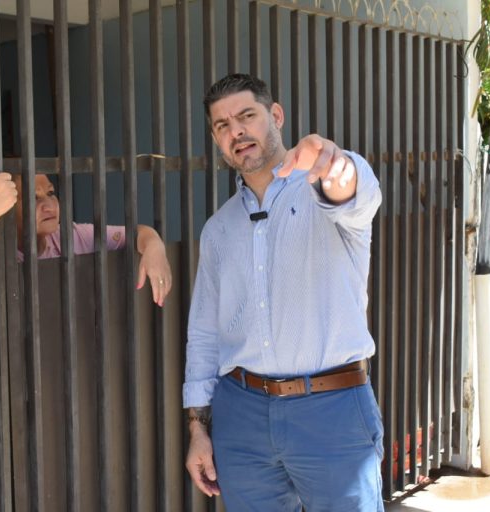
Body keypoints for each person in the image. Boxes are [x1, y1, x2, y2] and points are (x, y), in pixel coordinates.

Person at [183, 73, 383, 511]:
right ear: (216, 140)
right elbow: (204, 333)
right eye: (222, 125)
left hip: (331, 408)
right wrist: (198, 427)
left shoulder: (320, 193)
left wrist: (332, 162)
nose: (236, 131)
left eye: (246, 116)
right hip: (242, 415)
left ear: (275, 116)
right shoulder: (218, 229)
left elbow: (354, 192)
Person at [0, 161, 172, 306]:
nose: (49, 205)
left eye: (51, 193)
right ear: (4, 207)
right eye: (33, 198)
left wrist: (154, 246)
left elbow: (138, 234)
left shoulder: (70, 236)